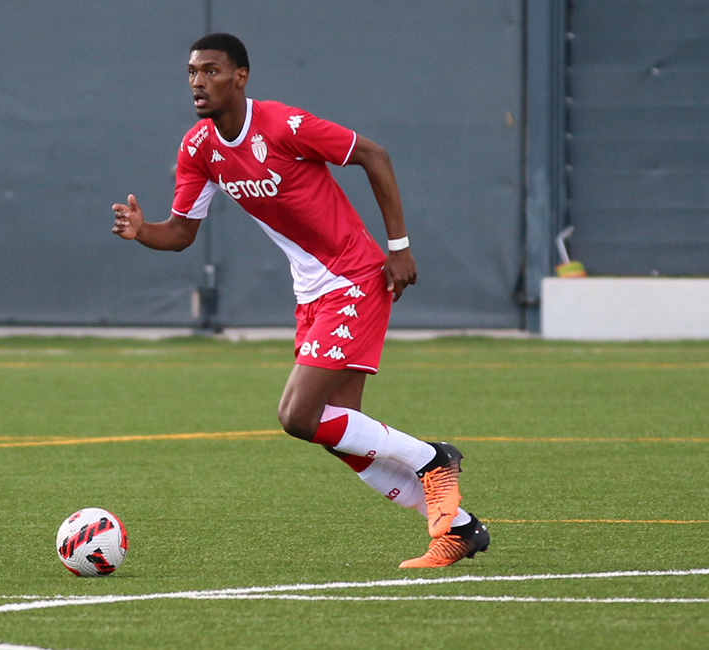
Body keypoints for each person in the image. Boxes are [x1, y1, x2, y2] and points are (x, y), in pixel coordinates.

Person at [111, 33, 489, 568]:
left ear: (240, 77)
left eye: (212, 71)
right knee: (343, 433)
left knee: (297, 415)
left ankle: (432, 459)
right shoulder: (198, 148)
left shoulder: (283, 125)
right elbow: (180, 232)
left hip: (354, 278)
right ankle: (460, 529)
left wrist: (399, 247)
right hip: (312, 293)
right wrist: (142, 230)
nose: (198, 82)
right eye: (192, 72)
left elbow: (373, 155)